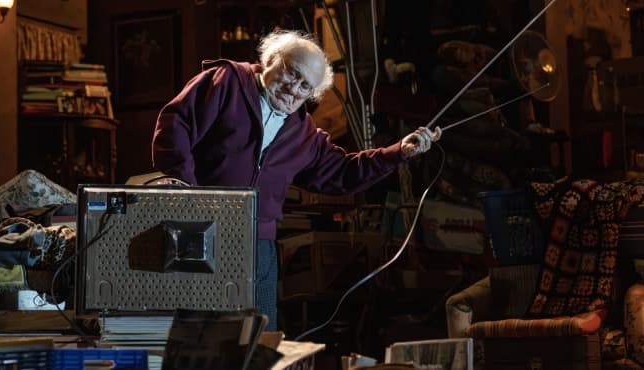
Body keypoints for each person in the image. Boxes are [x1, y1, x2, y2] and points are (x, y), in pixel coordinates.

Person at [151, 30, 441, 330]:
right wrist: (190, 196)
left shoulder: (304, 134)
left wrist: (398, 152)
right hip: (196, 226)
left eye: (305, 86)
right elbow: (175, 126)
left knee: (256, 337)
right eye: (291, 74)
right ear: (271, 60)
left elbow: (342, 173)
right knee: (192, 332)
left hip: (258, 244)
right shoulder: (227, 81)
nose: (294, 90)